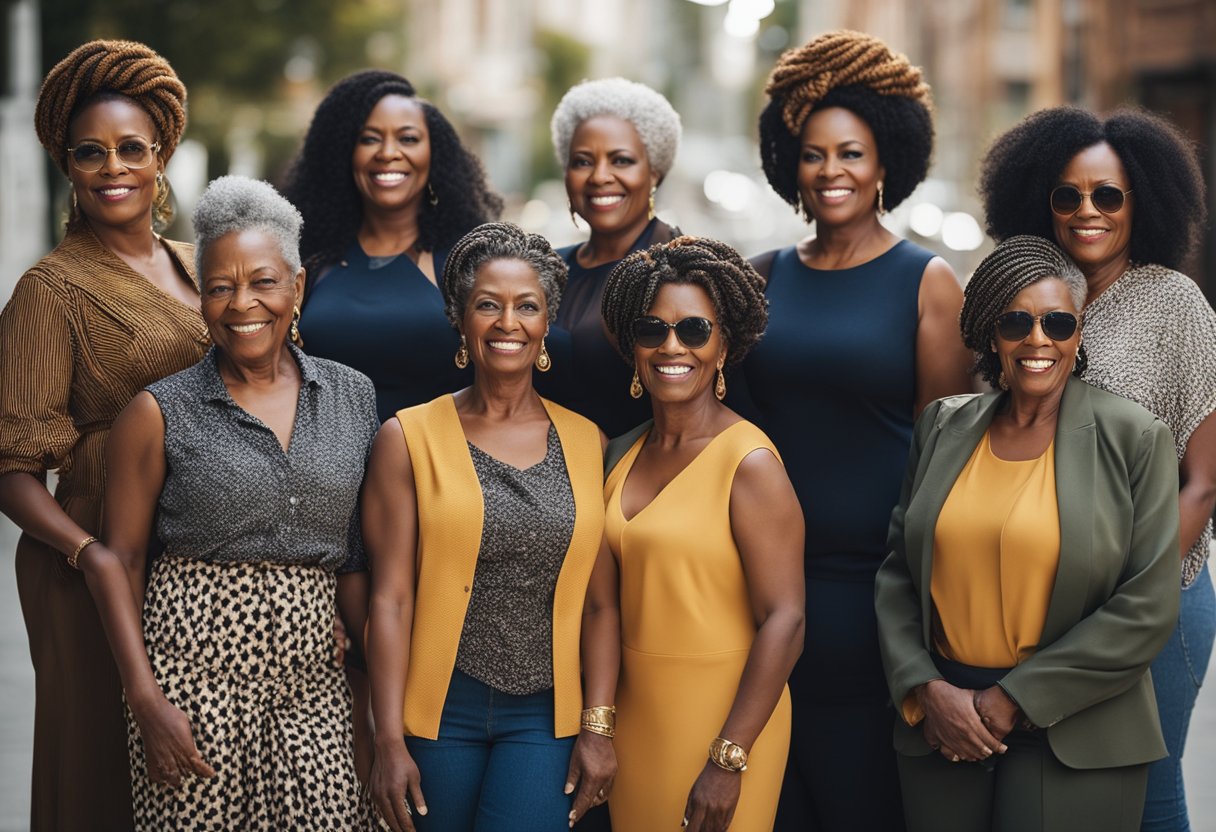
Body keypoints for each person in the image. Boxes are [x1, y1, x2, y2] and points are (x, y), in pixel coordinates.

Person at [73, 175, 377, 829]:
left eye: (263, 282)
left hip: (313, 688)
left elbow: (354, 556)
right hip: (191, 689)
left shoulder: (354, 398)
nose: (243, 303)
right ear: (202, 296)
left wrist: (374, 690)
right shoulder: (157, 413)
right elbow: (122, 561)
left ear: (295, 288)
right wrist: (145, 701)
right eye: (220, 286)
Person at [875, 234, 1182, 831]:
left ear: (1079, 333)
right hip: (943, 725)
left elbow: (1146, 606)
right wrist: (925, 689)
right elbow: (897, 574)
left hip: (1079, 733)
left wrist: (1013, 700)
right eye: (1017, 322)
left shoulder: (1135, 437)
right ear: (993, 336)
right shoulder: (942, 426)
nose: (1038, 340)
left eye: (1058, 322)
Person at [745, 29, 972, 830]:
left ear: (886, 164)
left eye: (852, 153)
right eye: (813, 154)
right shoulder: (764, 275)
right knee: (776, 799)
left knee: (859, 798)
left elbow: (943, 455)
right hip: (762, 588)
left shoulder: (927, 282)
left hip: (870, 593)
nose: (831, 172)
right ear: (789, 164)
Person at [979, 107, 1216, 832]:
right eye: (1067, 195)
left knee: (1146, 791)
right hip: (1037, 599)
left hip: (1154, 603)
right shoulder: (1021, 299)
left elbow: (1203, 481)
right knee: (1067, 797)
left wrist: (1128, 599)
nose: (1087, 212)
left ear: (1142, 201)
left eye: (1108, 195)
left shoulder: (1176, 305)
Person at [0, 39, 205, 831]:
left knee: (185, 778)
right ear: (67, 165)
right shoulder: (48, 291)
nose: (112, 167)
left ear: (161, 157)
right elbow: (13, 470)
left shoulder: (197, 264)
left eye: (132, 149)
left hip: (190, 551)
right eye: (90, 153)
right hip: (86, 563)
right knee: (99, 771)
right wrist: (91, 557)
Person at [364, 222, 617, 832]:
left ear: (546, 323)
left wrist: (598, 727)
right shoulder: (407, 437)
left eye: (526, 306)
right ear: (461, 319)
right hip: (437, 711)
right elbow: (390, 599)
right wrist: (387, 737)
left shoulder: (588, 442)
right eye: (488, 305)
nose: (508, 323)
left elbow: (601, 607)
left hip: (544, 719)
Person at [599, 236, 805, 831]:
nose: (671, 346)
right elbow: (602, 606)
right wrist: (600, 725)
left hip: (728, 723)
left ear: (723, 346)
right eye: (652, 329)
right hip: (635, 721)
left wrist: (728, 759)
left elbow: (786, 621)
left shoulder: (751, 463)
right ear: (633, 346)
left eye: (694, 331)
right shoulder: (619, 454)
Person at [283, 69, 503, 423]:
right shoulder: (307, 257)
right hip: (326, 472)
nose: (388, 153)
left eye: (408, 138)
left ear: (435, 155)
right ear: (345, 154)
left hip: (434, 468)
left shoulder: (469, 263)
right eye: (370, 139)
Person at [539, 77, 683, 437]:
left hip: (637, 483)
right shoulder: (542, 269)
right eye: (583, 161)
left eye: (621, 160)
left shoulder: (682, 269)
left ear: (654, 174)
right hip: (544, 482)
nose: (600, 177)